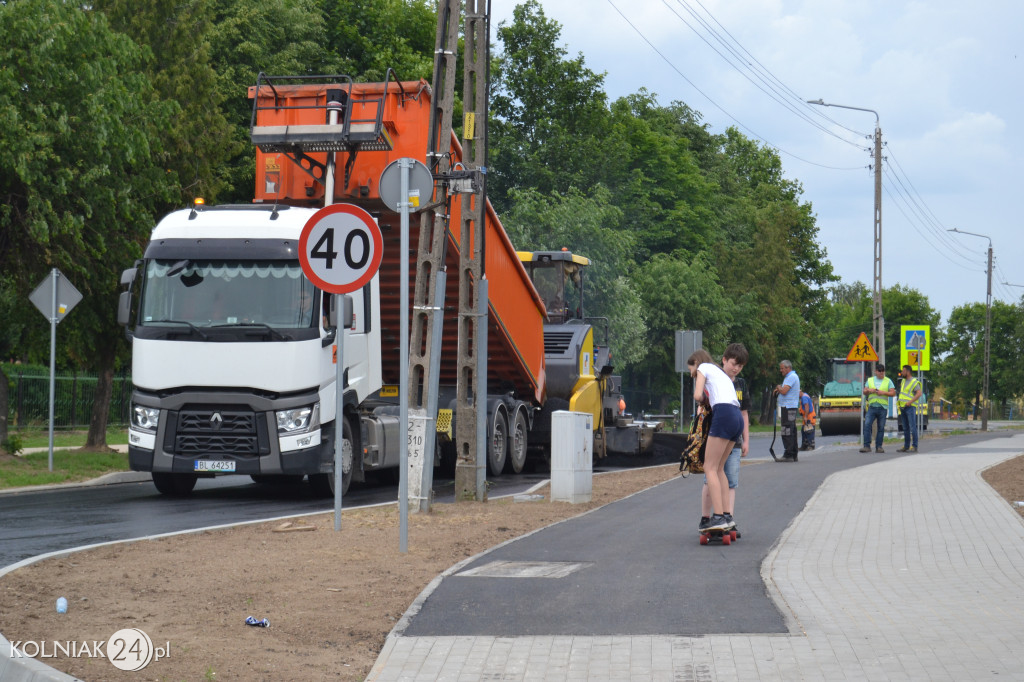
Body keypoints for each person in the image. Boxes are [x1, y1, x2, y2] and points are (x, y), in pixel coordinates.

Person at [687, 348, 745, 533]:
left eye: (691, 371)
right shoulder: (721, 373)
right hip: (737, 417)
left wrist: (702, 400)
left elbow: (697, 396)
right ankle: (727, 516)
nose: (692, 375)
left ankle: (718, 517)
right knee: (719, 468)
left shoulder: (704, 367)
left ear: (696, 363)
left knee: (709, 467)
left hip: (724, 414)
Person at [700, 343, 750, 537]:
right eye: (733, 363)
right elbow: (702, 406)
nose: (736, 368)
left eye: (740, 366)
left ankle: (725, 516)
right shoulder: (713, 377)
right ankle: (707, 517)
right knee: (711, 476)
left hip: (731, 434)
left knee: (729, 479)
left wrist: (746, 440)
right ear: (724, 360)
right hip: (717, 431)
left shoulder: (740, 384)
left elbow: (744, 413)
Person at [859, 362, 895, 453]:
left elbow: (893, 393)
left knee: (881, 427)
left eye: (883, 371)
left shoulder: (888, 381)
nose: (881, 372)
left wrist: (883, 393)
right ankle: (867, 446)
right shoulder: (870, 380)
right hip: (872, 407)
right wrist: (869, 390)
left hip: (882, 408)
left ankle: (879, 446)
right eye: (879, 371)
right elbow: (864, 391)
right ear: (876, 371)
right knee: (867, 425)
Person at [774, 360, 800, 462]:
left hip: (788, 407)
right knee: (791, 429)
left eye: (782, 368)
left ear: (788, 368)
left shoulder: (791, 377)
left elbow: (784, 391)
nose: (781, 370)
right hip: (790, 407)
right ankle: (793, 453)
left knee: (787, 430)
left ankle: (788, 454)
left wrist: (778, 387)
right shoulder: (790, 377)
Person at [896, 364, 923, 452]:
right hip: (903, 407)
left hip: (910, 407)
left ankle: (914, 446)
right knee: (905, 427)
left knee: (912, 427)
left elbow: (919, 393)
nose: (902, 372)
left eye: (903, 371)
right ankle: (906, 446)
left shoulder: (914, 382)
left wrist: (910, 402)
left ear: (908, 371)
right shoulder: (903, 381)